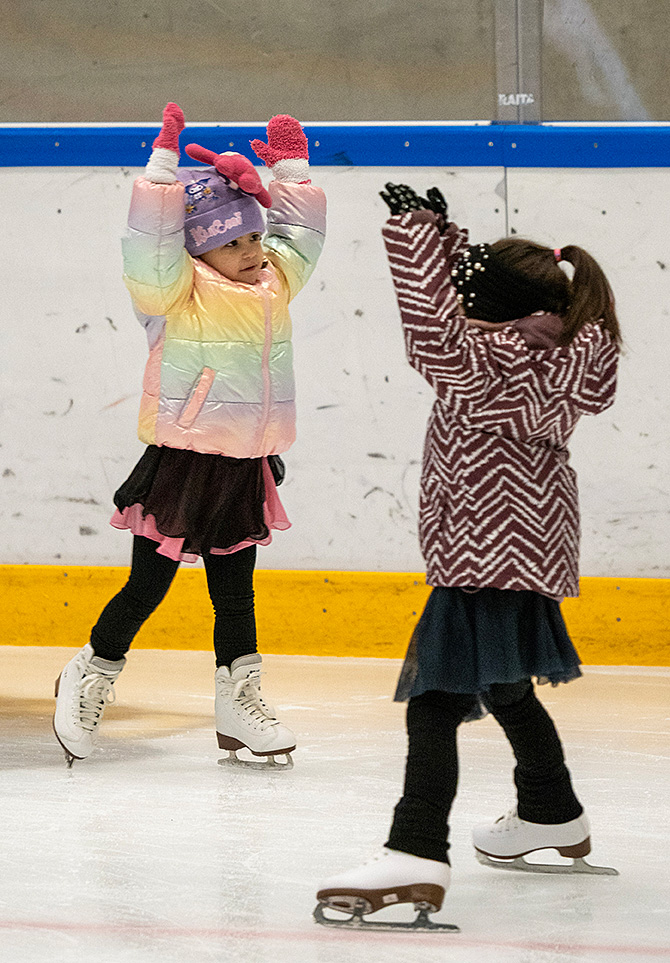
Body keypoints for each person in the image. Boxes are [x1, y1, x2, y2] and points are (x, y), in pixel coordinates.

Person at [315, 183, 620, 926]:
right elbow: (461, 306)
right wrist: (448, 240)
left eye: (469, 292)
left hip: (482, 556)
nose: (458, 302)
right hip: (529, 551)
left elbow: (430, 326)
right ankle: (551, 810)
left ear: (490, 308)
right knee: (507, 686)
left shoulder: (483, 361)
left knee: (435, 702)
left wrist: (416, 236)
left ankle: (415, 850)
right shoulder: (562, 350)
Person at [53, 103, 326, 768]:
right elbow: (148, 250)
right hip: (181, 461)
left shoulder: (273, 282)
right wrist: (159, 175)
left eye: (254, 237)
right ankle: (89, 671)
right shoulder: (175, 292)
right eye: (232, 243)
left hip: (244, 461)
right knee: (148, 586)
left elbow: (300, 240)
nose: (251, 252)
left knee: (235, 593)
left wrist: (291, 173)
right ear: (198, 247)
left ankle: (238, 702)